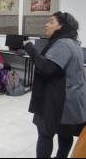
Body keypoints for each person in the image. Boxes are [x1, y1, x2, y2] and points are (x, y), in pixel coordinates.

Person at [23, 12, 86, 158]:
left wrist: (30, 49)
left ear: (61, 26)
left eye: (51, 22)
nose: (47, 24)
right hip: (69, 98)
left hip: (59, 100)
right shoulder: (72, 43)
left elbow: (46, 67)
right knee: (65, 133)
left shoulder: (62, 43)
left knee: (45, 133)